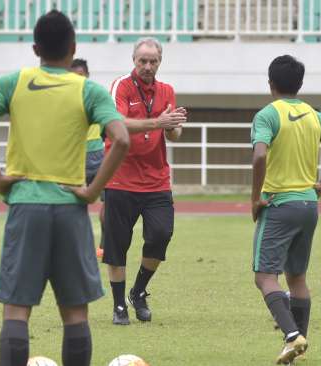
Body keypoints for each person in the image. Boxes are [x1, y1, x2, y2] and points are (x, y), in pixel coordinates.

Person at [0, 10, 129, 366]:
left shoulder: (14, 83)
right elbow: (122, 138)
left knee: (17, 311)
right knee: (75, 314)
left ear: (35, 47)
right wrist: (93, 190)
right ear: (74, 48)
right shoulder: (88, 89)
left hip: (26, 207)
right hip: (70, 207)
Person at [251, 55, 321, 364]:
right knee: (296, 277)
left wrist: (255, 198)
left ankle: (291, 335)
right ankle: (296, 347)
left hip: (279, 204)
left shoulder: (267, 115)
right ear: (299, 84)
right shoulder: (313, 115)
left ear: (270, 83)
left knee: (265, 277)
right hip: (309, 205)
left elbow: (259, 157)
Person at [104, 37, 187, 325]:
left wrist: (174, 124)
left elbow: (171, 134)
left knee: (161, 235)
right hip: (119, 179)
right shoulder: (121, 86)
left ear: (160, 62)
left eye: (153, 61)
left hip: (156, 181)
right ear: (134, 60)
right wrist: (158, 123)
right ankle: (118, 307)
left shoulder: (167, 90)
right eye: (143, 61)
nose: (148, 66)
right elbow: (117, 122)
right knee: (117, 245)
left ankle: (138, 292)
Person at [71, 58, 106, 258]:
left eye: (81, 76)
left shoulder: (92, 96)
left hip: (89, 155)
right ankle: (93, 247)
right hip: (81, 156)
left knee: (106, 201)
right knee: (78, 206)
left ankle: (97, 247)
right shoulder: (95, 96)